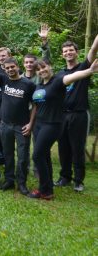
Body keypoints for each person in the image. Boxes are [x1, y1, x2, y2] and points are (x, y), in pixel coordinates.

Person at [29, 57, 98, 200]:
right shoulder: (39, 86)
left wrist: (89, 71)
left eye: (44, 67)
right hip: (39, 124)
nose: (42, 71)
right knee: (44, 156)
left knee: (37, 155)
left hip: (53, 124)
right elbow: (36, 106)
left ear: (50, 66)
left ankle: (45, 190)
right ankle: (47, 189)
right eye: (38, 69)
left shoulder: (58, 81)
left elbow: (73, 76)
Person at [0, 40, 36, 195]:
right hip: (5, 123)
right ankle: (9, 180)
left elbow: (35, 105)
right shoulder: (3, 79)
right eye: (7, 68)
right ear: (5, 70)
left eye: (12, 67)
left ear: (17, 67)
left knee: (22, 156)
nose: (10, 70)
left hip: (22, 126)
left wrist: (31, 124)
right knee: (7, 153)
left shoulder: (28, 84)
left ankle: (22, 183)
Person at [54, 34, 98, 192]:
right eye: (65, 51)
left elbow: (93, 49)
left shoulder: (84, 67)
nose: (68, 53)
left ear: (76, 52)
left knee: (77, 148)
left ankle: (78, 181)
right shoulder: (59, 74)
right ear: (62, 54)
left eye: (71, 50)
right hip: (62, 115)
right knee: (63, 148)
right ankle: (64, 177)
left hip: (79, 115)